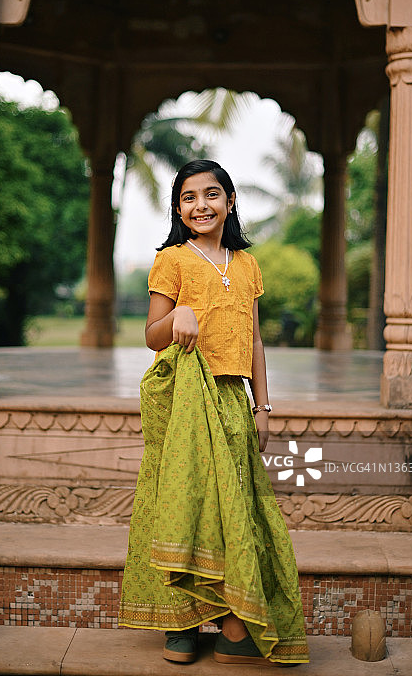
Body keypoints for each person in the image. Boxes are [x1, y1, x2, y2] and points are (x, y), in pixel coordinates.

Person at [119, 159, 309, 666]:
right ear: (178, 209)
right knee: (183, 502)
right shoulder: (172, 260)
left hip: (231, 400)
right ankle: (180, 625)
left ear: (229, 201)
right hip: (183, 398)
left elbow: (255, 340)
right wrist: (179, 314)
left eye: (210, 194)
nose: (200, 205)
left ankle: (233, 625)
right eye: (188, 197)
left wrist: (262, 406)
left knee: (234, 508)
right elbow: (152, 335)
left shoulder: (247, 265)